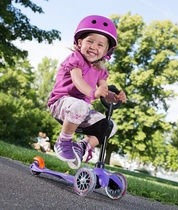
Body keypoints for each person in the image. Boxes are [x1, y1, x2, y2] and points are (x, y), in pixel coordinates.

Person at [47, 15, 126, 169]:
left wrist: (115, 97)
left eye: (100, 45)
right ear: (80, 42)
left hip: (81, 109)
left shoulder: (100, 69)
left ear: (105, 51)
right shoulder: (75, 58)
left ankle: (82, 147)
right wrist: (93, 93)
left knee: (110, 126)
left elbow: (104, 91)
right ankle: (63, 141)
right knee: (81, 106)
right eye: (90, 41)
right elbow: (78, 80)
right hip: (61, 103)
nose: (93, 47)